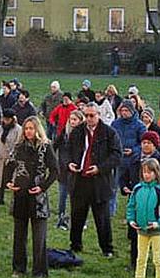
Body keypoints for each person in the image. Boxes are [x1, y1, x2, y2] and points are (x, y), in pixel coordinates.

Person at [64, 104, 122, 257]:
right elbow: (67, 150)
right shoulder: (77, 131)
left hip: (99, 182)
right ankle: (75, 245)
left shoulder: (109, 133)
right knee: (77, 216)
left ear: (99, 115)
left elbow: (117, 155)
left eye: (92, 115)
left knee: (102, 218)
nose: (89, 119)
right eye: (86, 116)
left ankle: (107, 249)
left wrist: (100, 168)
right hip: (79, 180)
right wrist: (69, 163)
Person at [4, 116, 57, 278]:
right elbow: (9, 165)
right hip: (20, 195)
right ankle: (19, 268)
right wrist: (8, 182)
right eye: (26, 128)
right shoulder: (18, 147)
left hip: (37, 197)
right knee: (19, 236)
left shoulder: (45, 147)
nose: (28, 131)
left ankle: (39, 271)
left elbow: (55, 170)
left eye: (31, 128)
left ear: (37, 129)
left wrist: (42, 187)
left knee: (39, 237)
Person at [119, 131, 160, 269]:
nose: (146, 145)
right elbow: (124, 175)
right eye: (143, 142)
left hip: (155, 202)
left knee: (157, 236)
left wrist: (159, 190)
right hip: (137, 199)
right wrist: (124, 186)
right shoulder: (135, 158)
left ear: (155, 145)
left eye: (149, 143)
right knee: (135, 234)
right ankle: (134, 262)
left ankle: (159, 264)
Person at [127, 157, 160, 278]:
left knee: (158, 258)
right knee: (141, 257)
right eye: (144, 172)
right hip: (141, 230)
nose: (146, 175)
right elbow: (131, 206)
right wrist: (131, 220)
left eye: (149, 172)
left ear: (156, 172)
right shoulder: (137, 189)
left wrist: (159, 223)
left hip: (157, 231)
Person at [111, 100, 146, 216]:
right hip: (118, 160)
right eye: (122, 110)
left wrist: (134, 150)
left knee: (134, 187)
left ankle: (133, 210)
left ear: (132, 111)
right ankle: (111, 211)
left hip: (133, 161)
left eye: (126, 110)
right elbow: (111, 139)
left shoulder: (140, 125)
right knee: (113, 186)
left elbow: (144, 143)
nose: (124, 113)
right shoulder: (115, 124)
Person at [53, 110, 83, 231]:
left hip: (77, 170)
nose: (72, 122)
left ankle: (79, 219)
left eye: (75, 119)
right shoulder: (64, 133)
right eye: (71, 119)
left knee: (77, 197)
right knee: (62, 195)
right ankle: (61, 217)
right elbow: (54, 146)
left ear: (80, 121)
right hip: (64, 170)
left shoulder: (83, 135)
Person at [0, 109, 22, 206]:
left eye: (8, 119)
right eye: (4, 119)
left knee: (13, 179)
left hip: (12, 159)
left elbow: (18, 143)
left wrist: (12, 155)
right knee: (0, 178)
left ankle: (16, 200)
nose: (6, 121)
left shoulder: (18, 129)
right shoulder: (0, 128)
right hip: (0, 157)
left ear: (12, 119)